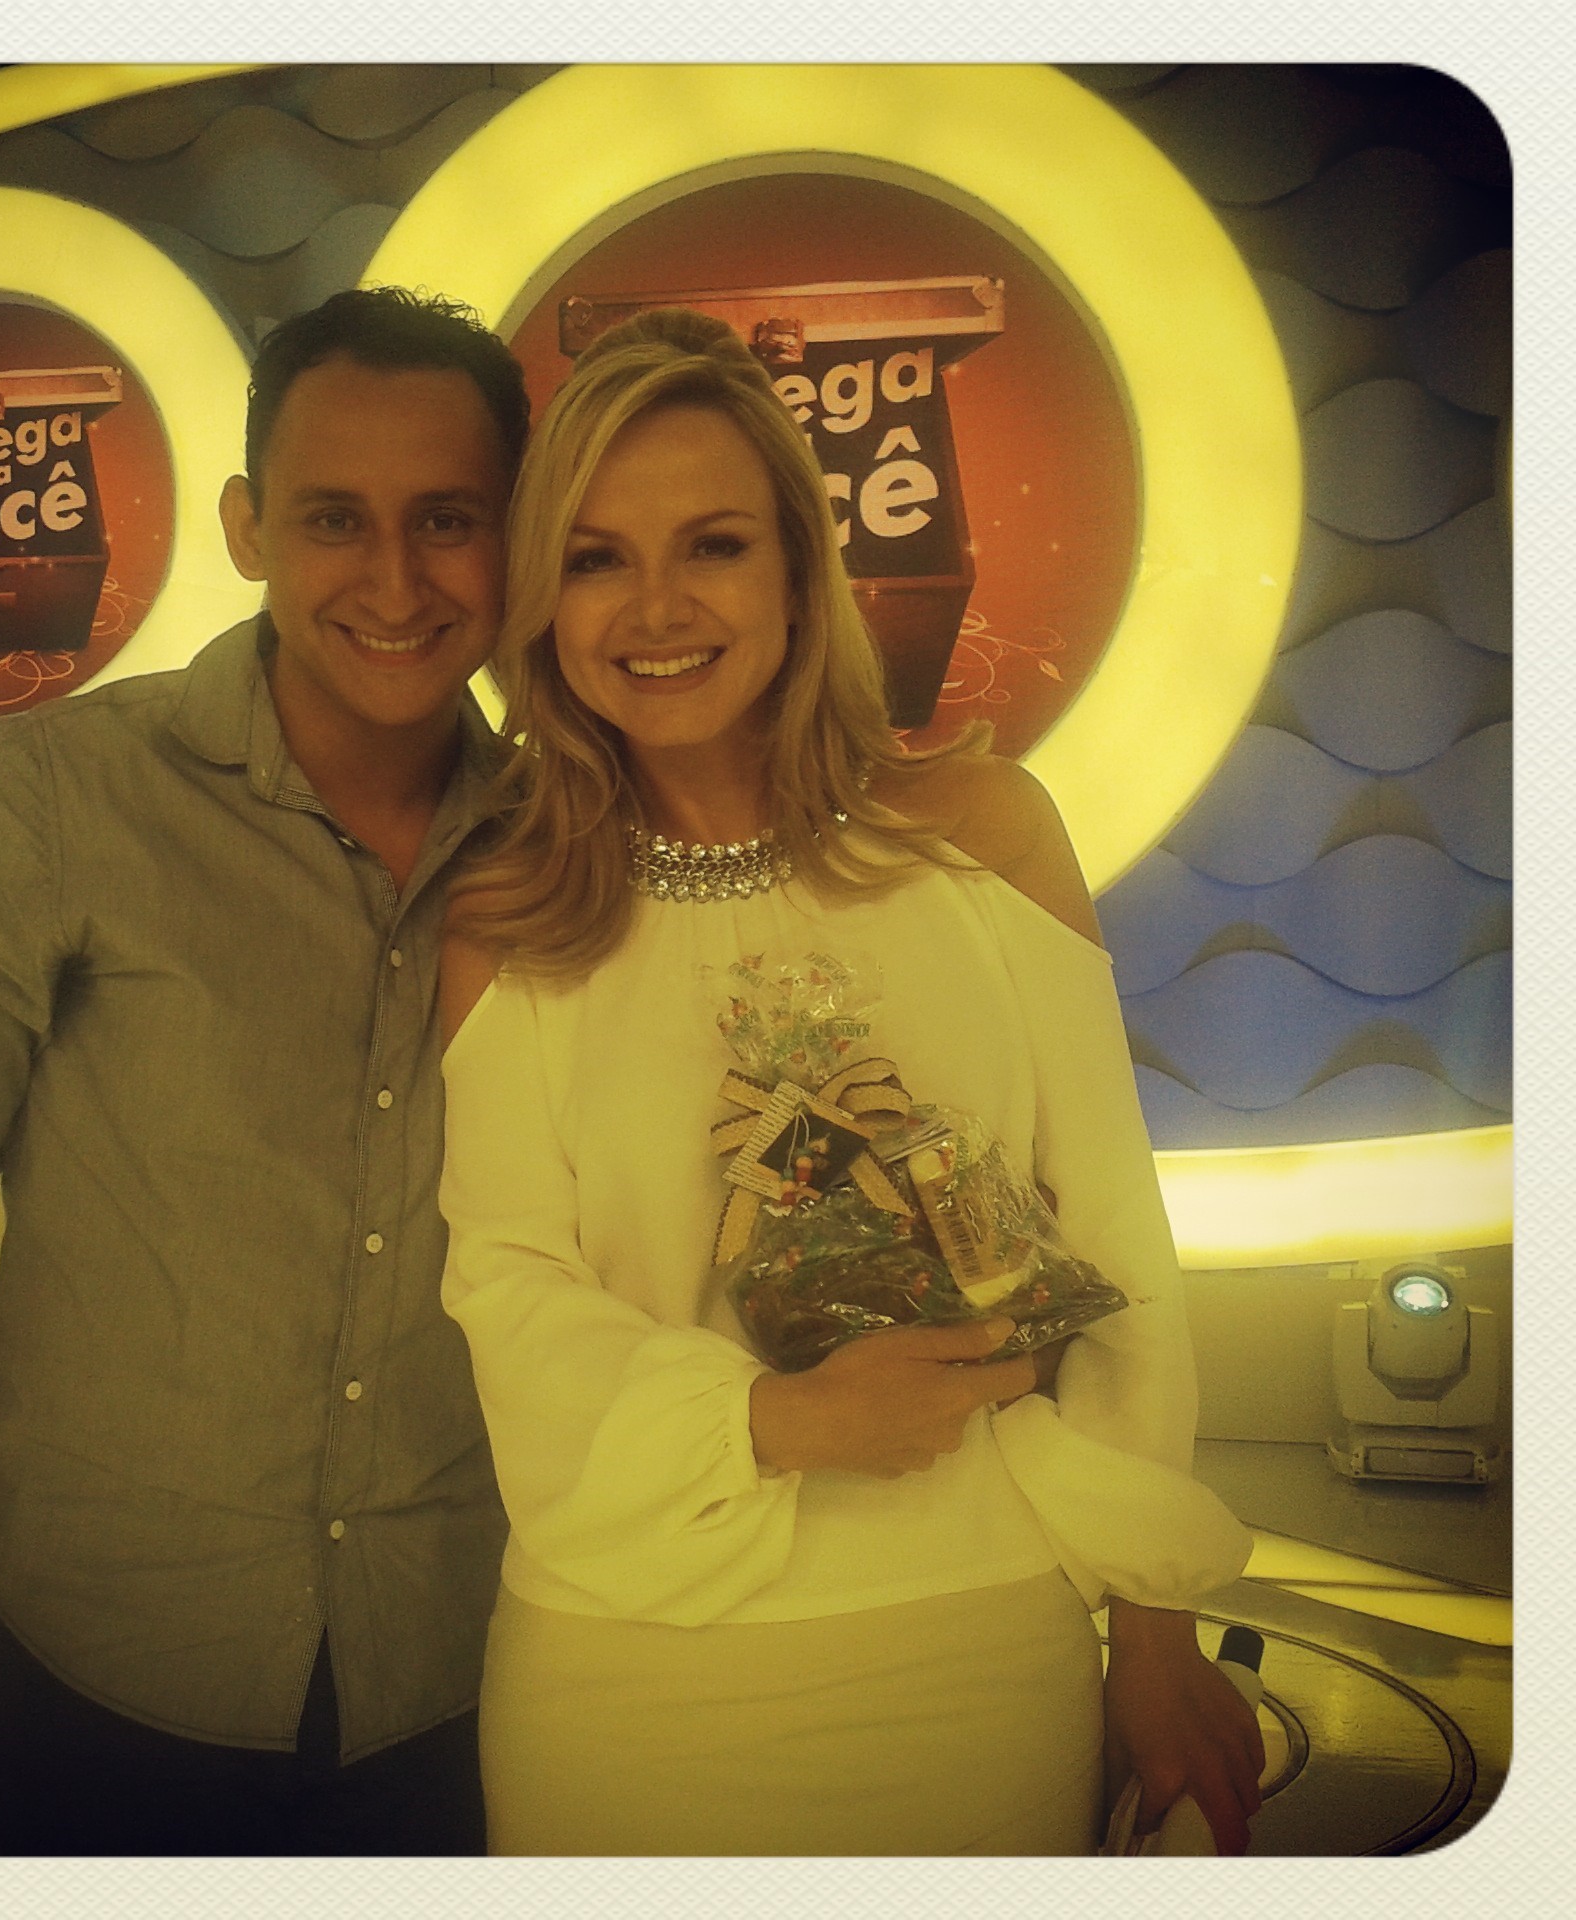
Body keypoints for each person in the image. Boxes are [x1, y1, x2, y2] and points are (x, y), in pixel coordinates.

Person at [435, 309, 1266, 1857]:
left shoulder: (985, 838)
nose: (658, 607)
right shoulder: (507, 916)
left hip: (978, 1640)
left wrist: (1154, 1631)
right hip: (623, 1664)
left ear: (798, 572)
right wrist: (772, 1422)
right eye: (600, 559)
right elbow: (510, 1286)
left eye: (715, 545)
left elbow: (1117, 1245)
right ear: (546, 600)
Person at [0, 287, 529, 1856]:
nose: (396, 579)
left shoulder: (570, 849)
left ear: (514, 539)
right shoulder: (49, 804)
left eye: (448, 519)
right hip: (108, 1668)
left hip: (468, 1665)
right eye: (335, 519)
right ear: (249, 527)